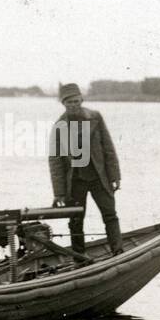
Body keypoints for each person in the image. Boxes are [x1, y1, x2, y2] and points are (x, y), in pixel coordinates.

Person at [48, 82, 123, 255]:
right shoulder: (59, 126)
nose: (73, 105)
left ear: (81, 99)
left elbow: (108, 148)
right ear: (63, 103)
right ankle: (79, 258)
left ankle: (118, 251)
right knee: (75, 221)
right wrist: (59, 193)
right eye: (69, 102)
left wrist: (115, 176)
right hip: (75, 182)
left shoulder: (95, 117)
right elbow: (55, 161)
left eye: (76, 101)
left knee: (110, 215)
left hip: (99, 178)